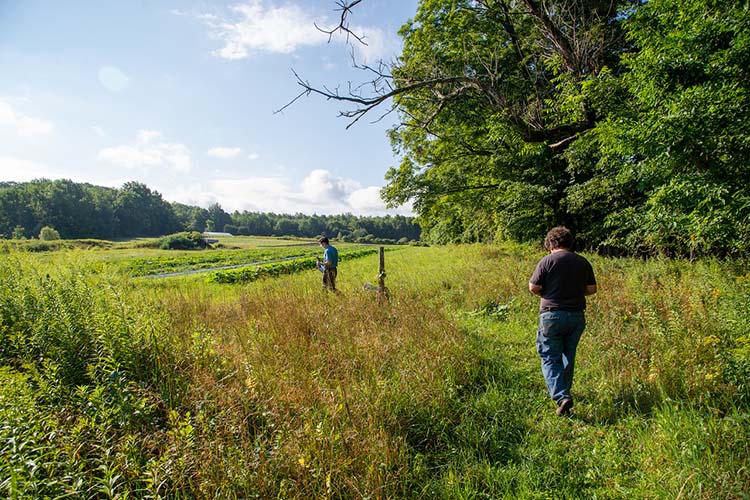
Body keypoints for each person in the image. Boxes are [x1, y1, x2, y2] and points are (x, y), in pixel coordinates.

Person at [528, 226, 597, 416]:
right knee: (568, 355)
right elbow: (592, 289)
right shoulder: (582, 262)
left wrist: (549, 292)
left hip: (551, 315)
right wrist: (573, 292)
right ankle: (565, 392)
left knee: (550, 356)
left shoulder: (547, 261)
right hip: (576, 316)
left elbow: (533, 287)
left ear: (551, 243)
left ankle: (561, 396)